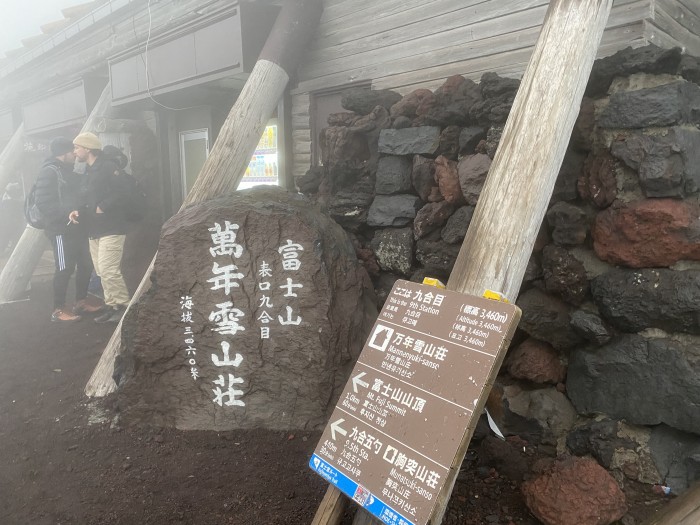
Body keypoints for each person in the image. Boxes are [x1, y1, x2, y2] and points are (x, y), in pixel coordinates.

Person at [35, 137, 102, 322]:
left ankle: (80, 302)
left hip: (76, 229)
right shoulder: (49, 172)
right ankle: (58, 310)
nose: (74, 153)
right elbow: (43, 202)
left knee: (86, 264)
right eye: (71, 150)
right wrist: (67, 213)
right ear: (63, 153)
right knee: (64, 268)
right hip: (60, 231)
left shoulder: (66, 171)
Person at [69, 132, 132, 324]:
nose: (75, 151)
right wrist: (77, 210)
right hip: (94, 229)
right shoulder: (88, 170)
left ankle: (122, 307)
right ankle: (111, 305)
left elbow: (123, 191)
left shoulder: (108, 167)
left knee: (108, 269)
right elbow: (86, 196)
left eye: (77, 147)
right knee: (101, 270)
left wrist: (103, 206)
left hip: (112, 228)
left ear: (87, 148)